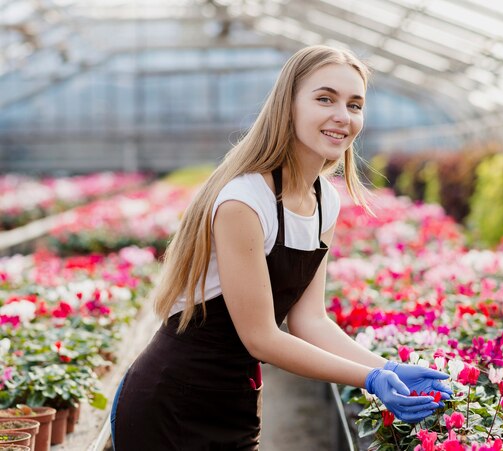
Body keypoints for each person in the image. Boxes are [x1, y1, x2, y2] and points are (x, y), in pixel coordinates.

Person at [109, 45, 452, 450]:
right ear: (287, 106)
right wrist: (370, 380)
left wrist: (388, 368)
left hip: (233, 402)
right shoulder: (245, 201)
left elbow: (310, 321)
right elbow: (261, 338)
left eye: (355, 104)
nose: (343, 116)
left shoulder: (325, 200)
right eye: (325, 99)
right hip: (171, 403)